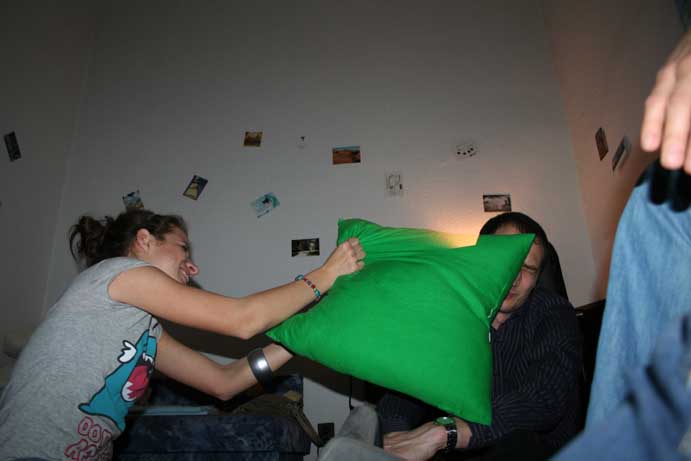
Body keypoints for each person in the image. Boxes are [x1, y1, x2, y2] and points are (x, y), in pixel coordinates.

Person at [0, 209, 365, 459]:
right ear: (144, 240)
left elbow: (224, 382)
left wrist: (301, 333)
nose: (193, 266)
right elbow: (242, 320)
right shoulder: (118, 273)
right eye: (183, 248)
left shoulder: (144, 329)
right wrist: (325, 274)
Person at [376, 212, 582, 461]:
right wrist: (395, 439)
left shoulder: (554, 313)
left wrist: (445, 432)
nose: (514, 277)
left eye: (528, 268)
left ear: (538, 279)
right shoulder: (455, 317)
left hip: (539, 451)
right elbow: (410, 388)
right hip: (463, 452)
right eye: (506, 259)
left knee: (519, 443)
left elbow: (544, 397)